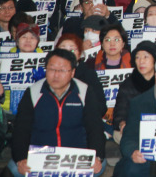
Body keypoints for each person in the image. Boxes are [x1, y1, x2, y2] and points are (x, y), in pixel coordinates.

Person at [9, 49, 105, 177]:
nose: (56, 75)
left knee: (100, 166)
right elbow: (21, 130)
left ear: (72, 73)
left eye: (62, 70)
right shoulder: (33, 92)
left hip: (75, 157)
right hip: (42, 157)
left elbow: (95, 128)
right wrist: (21, 158)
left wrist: (97, 156)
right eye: (52, 69)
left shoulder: (84, 91)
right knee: (14, 168)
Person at [112, 41, 156, 144]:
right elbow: (119, 112)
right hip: (135, 128)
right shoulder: (127, 84)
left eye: (145, 57)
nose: (141, 61)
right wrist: (122, 123)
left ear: (155, 60)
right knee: (118, 134)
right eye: (137, 58)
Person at [55, 33, 107, 117]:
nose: (67, 54)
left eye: (72, 50)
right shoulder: (51, 75)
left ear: (79, 54)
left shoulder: (89, 75)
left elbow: (100, 107)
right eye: (63, 49)